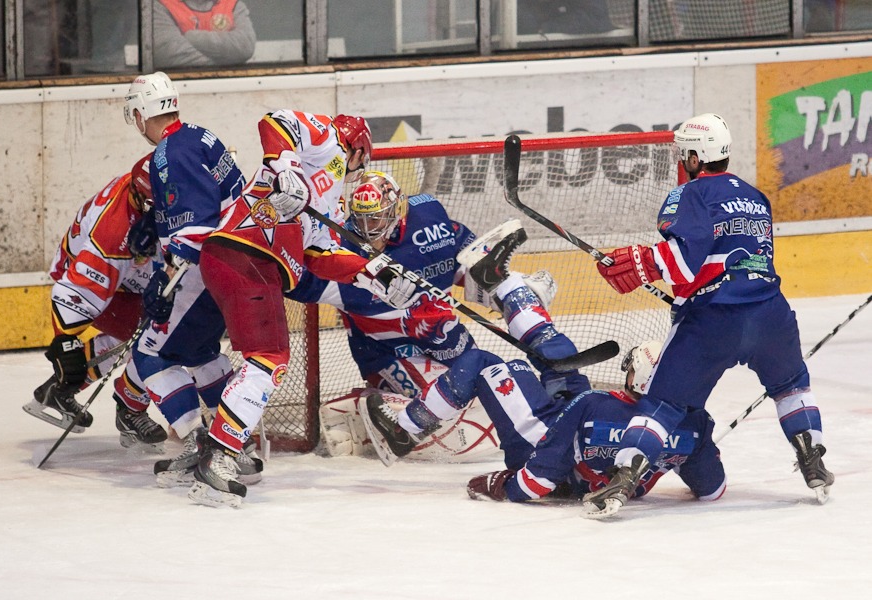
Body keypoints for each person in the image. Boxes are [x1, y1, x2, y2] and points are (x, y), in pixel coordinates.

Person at [585, 113, 834, 518]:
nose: (682, 161)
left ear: (695, 157)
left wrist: (641, 262)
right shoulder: (756, 197)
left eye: (684, 154)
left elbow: (685, 260)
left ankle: (624, 477)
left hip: (713, 320)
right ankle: (813, 460)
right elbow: (733, 255)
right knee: (791, 386)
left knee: (663, 405)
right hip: (771, 313)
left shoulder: (689, 194)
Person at [192, 112, 417, 507]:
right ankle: (219, 453)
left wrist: (370, 273)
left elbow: (319, 255)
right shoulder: (328, 140)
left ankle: (220, 445)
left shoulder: (332, 203)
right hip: (245, 254)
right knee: (268, 359)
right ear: (359, 149)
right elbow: (275, 121)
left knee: (264, 358)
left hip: (247, 263)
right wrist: (287, 169)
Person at [288, 170, 565, 466]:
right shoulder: (340, 255)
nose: (368, 229)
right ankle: (358, 406)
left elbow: (465, 262)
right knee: (450, 419)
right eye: (362, 219)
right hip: (390, 353)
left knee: (494, 395)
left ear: (397, 209)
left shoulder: (429, 220)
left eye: (377, 218)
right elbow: (293, 279)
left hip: (447, 338)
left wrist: (508, 288)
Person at [123, 71, 260, 488]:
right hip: (235, 266)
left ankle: (201, 443)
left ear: (141, 113)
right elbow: (210, 201)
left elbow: (197, 226)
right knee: (200, 353)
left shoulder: (167, 154)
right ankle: (238, 445)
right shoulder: (199, 135)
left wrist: (163, 281)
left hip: (204, 269)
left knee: (150, 353)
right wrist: (157, 219)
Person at [464, 340, 726, 509]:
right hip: (603, 481)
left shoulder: (591, 404)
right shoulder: (696, 422)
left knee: (492, 365)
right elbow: (712, 490)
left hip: (549, 465)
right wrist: (693, 447)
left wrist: (507, 487)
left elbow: (540, 480)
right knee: (563, 369)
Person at [23, 153, 168, 452]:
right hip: (91, 277)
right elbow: (73, 293)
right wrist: (65, 344)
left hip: (121, 278)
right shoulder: (114, 236)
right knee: (159, 334)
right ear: (139, 197)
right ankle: (131, 410)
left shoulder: (145, 184)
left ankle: (58, 390)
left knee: (146, 332)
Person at [153, 0, 257, 69]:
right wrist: (223, 68)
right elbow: (167, 53)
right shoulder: (160, 5)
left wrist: (191, 38)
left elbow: (245, 47)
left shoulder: (232, 4)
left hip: (229, 86)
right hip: (179, 87)